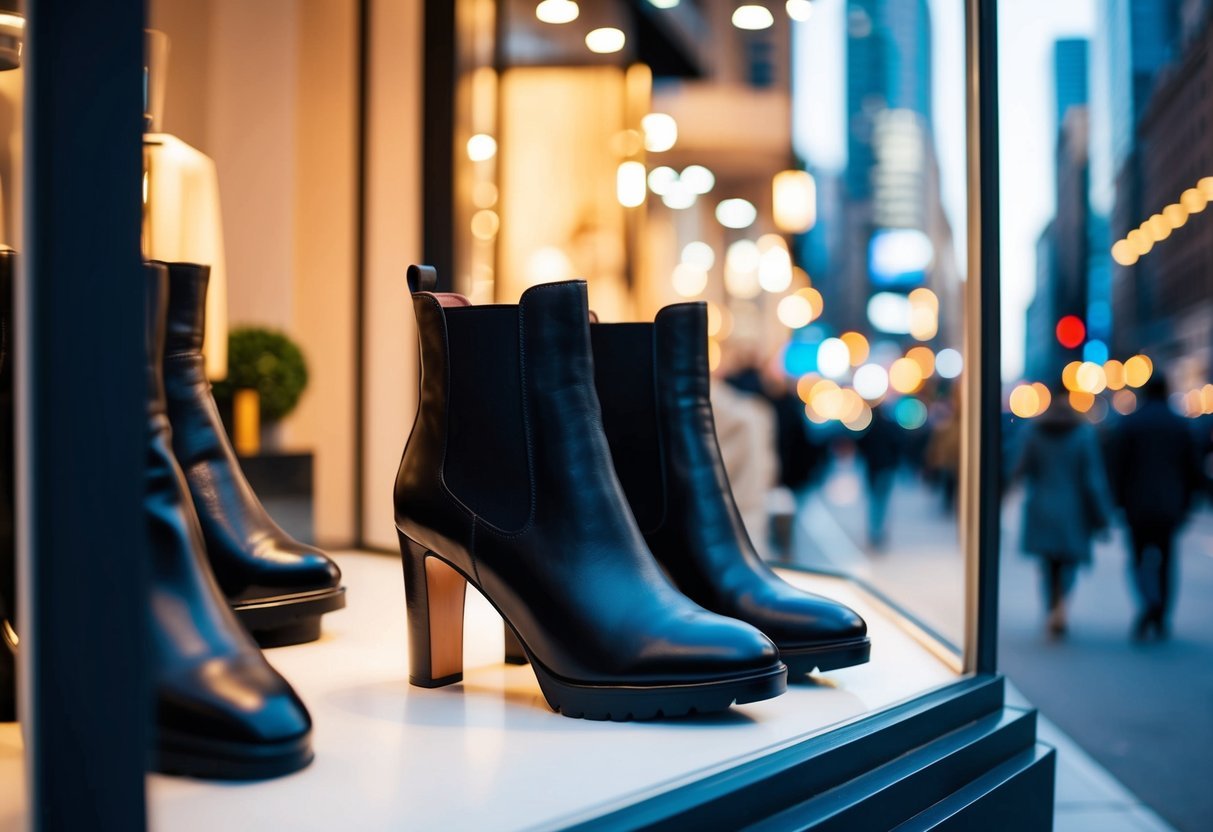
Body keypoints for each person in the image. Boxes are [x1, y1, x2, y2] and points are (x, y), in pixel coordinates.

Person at [1013, 387, 1113, 636]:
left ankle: (1051, 607)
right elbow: (1093, 479)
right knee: (1068, 563)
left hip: (1042, 504)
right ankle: (1061, 607)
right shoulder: (1083, 434)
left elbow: (1020, 467)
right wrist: (1102, 515)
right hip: (1073, 508)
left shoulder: (1033, 432)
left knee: (1048, 564)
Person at [1110, 375, 1201, 640]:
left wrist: (1118, 502)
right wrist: (1188, 501)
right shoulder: (1180, 425)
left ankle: (1148, 603)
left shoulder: (1130, 424)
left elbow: (1118, 466)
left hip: (1136, 505)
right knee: (1166, 560)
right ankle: (1160, 612)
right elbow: (1192, 468)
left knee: (1138, 559)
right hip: (1169, 504)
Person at [857, 405, 900, 549]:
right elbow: (898, 445)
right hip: (886, 468)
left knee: (875, 501)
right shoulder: (890, 427)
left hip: (874, 469)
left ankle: (875, 531)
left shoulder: (871, 429)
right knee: (882, 502)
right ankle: (878, 531)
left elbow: (861, 445)